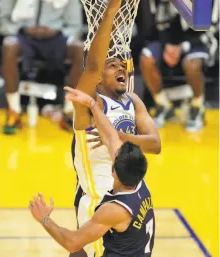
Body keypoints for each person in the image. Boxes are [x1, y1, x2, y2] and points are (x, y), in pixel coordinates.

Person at [64, 0, 160, 257]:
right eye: (112, 65)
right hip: (100, 201)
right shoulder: (89, 106)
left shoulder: (133, 101)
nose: (120, 68)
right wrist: (111, 9)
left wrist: (117, 136)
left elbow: (155, 145)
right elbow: (92, 67)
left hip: (131, 194)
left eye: (122, 65)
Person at [29, 87, 155, 257]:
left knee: (78, 248)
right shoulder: (138, 182)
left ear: (114, 173)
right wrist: (91, 104)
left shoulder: (114, 210)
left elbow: (72, 242)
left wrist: (44, 219)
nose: (114, 151)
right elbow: (111, 138)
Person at [0, 0, 83, 135]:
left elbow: (75, 25)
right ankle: (14, 110)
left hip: (56, 38)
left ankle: (69, 112)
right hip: (25, 37)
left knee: (79, 48)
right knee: (9, 44)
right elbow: (2, 18)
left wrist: (55, 32)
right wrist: (22, 29)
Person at [140, 0, 219, 132]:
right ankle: (163, 104)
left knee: (192, 64)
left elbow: (211, 29)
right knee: (146, 58)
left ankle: (197, 106)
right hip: (168, 40)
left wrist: (182, 47)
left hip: (198, 40)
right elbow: (157, 24)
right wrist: (168, 46)